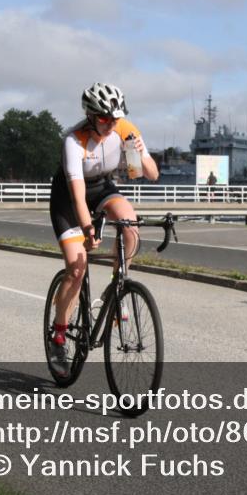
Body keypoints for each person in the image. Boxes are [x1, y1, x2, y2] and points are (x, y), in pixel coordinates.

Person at [46, 83, 159, 376]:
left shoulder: (124, 129)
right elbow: (78, 194)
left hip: (103, 187)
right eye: (105, 119)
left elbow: (151, 175)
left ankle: (118, 287)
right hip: (70, 199)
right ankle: (59, 334)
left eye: (115, 119)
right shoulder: (74, 140)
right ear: (91, 116)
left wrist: (139, 154)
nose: (111, 125)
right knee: (76, 267)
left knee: (130, 225)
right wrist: (88, 229)